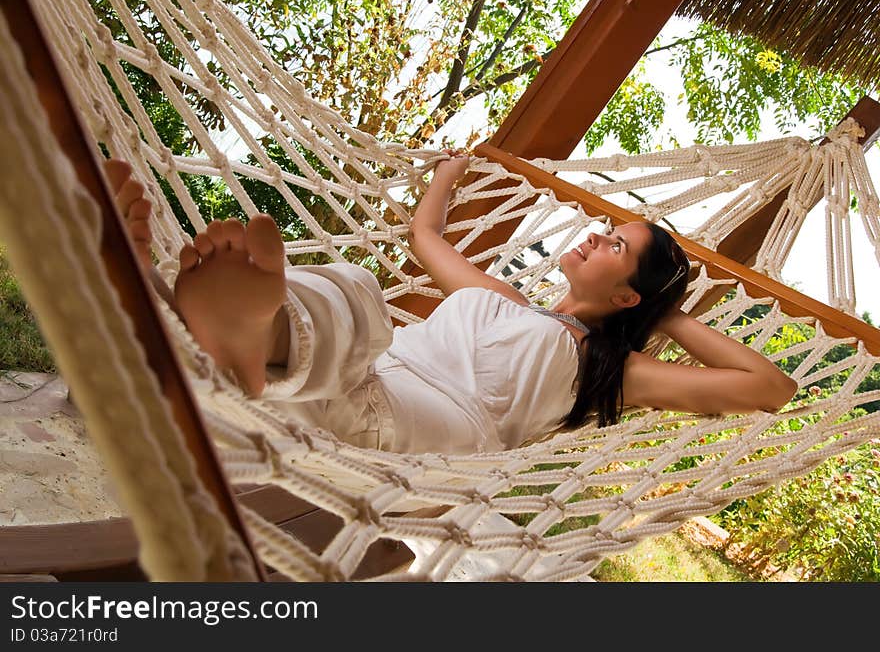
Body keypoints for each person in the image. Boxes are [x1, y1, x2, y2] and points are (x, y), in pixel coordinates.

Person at [103, 153, 798, 454]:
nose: (596, 233)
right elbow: (423, 233)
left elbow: (770, 387)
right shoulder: (500, 298)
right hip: (360, 374)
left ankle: (230, 328)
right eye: (607, 227)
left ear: (624, 294)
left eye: (615, 244)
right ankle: (235, 328)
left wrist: (664, 314)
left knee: (361, 331)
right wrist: (449, 174)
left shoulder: (611, 367)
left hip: (438, 430)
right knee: (364, 292)